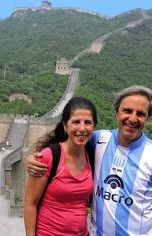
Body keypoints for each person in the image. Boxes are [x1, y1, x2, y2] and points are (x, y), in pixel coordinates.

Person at [27, 86, 152, 235]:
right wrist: (34, 157)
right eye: (127, 111)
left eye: (140, 114)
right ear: (117, 112)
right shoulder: (99, 140)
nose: (132, 118)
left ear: (147, 118)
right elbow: (68, 143)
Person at [24, 97, 97, 236]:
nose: (82, 128)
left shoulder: (92, 155)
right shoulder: (50, 156)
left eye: (87, 122)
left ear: (94, 126)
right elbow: (30, 203)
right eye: (76, 122)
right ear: (65, 126)